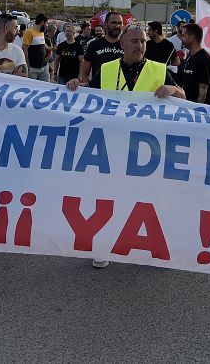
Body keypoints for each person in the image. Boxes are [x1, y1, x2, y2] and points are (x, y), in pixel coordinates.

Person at [67, 25, 184, 269]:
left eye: (142, 41)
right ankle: (104, 247)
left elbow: (183, 96)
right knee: (109, 198)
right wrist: (76, 87)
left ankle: (155, 248)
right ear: (122, 44)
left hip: (149, 150)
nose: (140, 45)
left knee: (150, 200)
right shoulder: (107, 69)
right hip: (114, 146)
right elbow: (92, 96)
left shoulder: (159, 69)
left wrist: (173, 89)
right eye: (134, 41)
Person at [75, 12, 123, 88]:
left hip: (121, 93)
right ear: (105, 24)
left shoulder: (127, 45)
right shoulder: (94, 45)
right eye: (113, 23)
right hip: (99, 92)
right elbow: (85, 73)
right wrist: (88, 89)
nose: (117, 26)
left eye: (119, 23)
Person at [177, 22, 210, 104]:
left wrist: (197, 110)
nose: (181, 39)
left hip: (198, 112)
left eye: (184, 36)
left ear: (192, 38)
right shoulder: (189, 56)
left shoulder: (204, 59)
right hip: (188, 107)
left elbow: (203, 89)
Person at [22, 13, 52, 82]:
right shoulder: (29, 32)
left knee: (46, 86)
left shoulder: (41, 32)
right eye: (46, 24)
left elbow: (43, 45)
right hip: (33, 68)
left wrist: (51, 48)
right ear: (42, 23)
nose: (46, 26)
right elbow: (24, 49)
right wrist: (27, 65)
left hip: (44, 66)